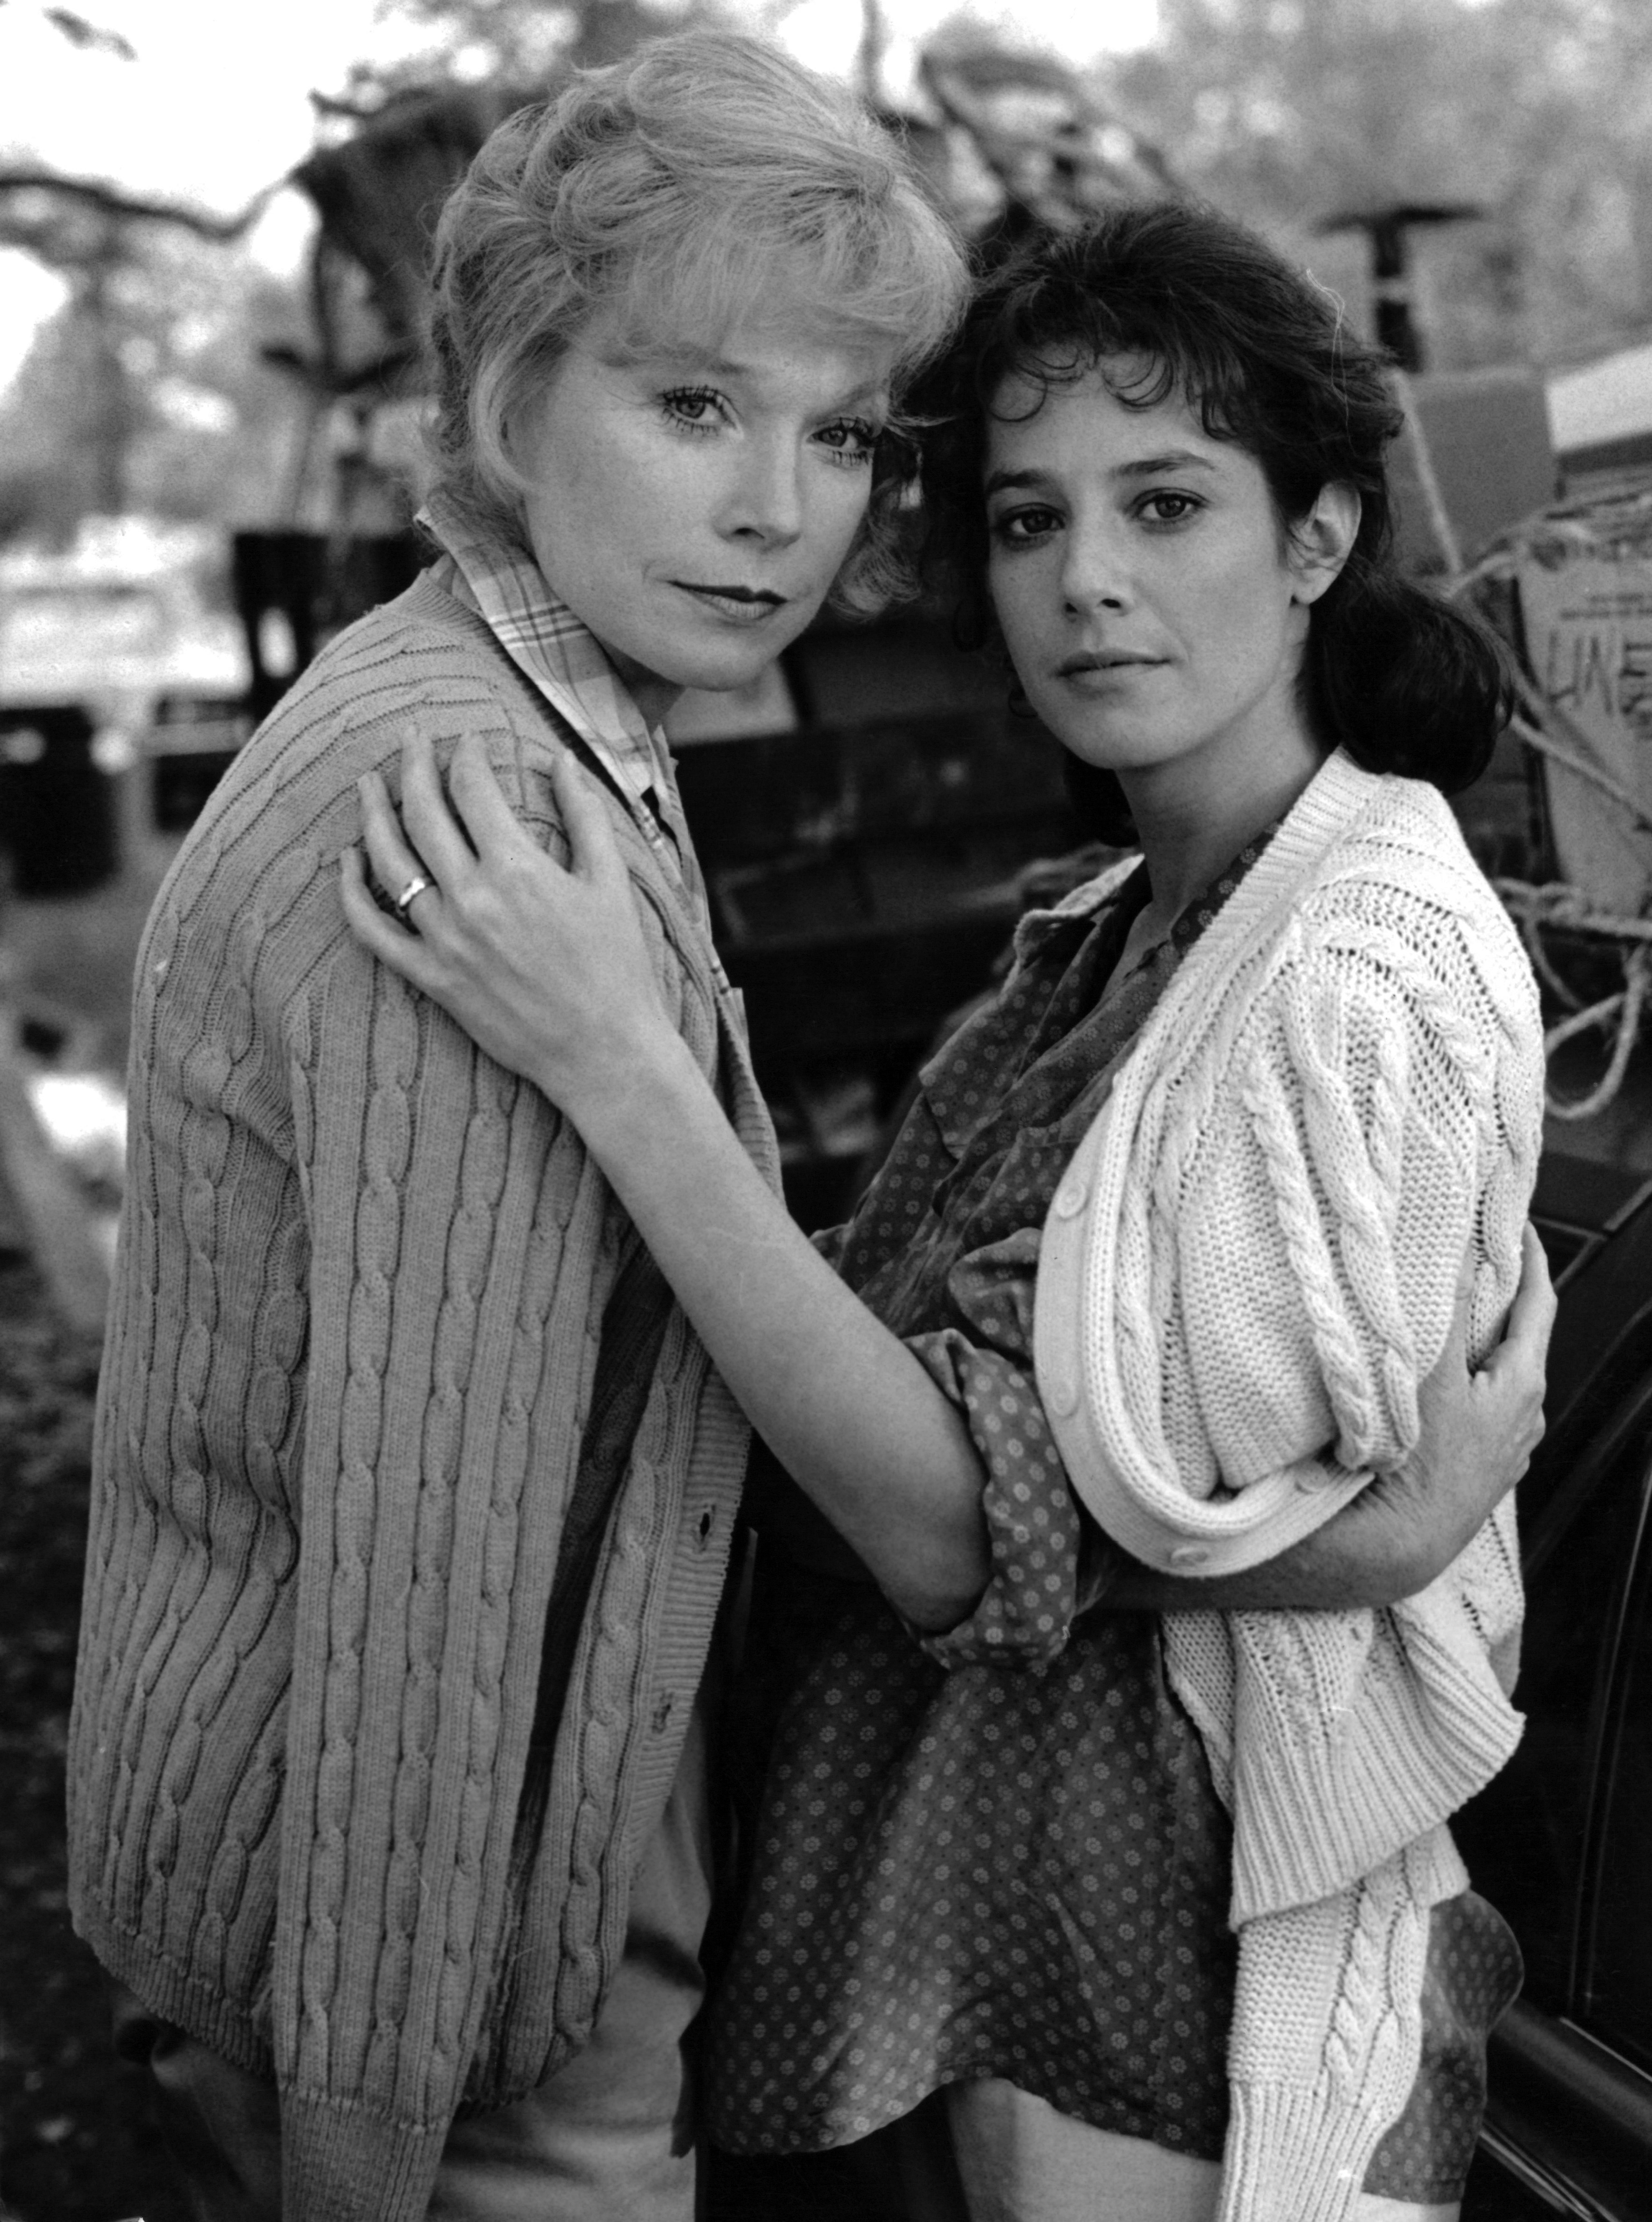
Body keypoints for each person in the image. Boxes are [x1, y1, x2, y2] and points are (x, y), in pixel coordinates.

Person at [340, 203, 1554, 2222]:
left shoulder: (1343, 969)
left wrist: (622, 1064)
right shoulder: (1104, 933)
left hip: (1099, 1966)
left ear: (1320, 531)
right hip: (919, 1917)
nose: (1086, 582)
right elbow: (933, 1430)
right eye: (1023, 519)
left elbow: (939, 1513)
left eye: (1166, 504)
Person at [66, 31, 969, 2222]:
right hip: (445, 2002)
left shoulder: (540, 708)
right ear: (500, 406)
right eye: (693, 406)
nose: (784, 505)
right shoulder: (468, 813)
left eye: (838, 428)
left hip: (493, 1900)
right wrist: (369, 2153)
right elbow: (424, 1588)